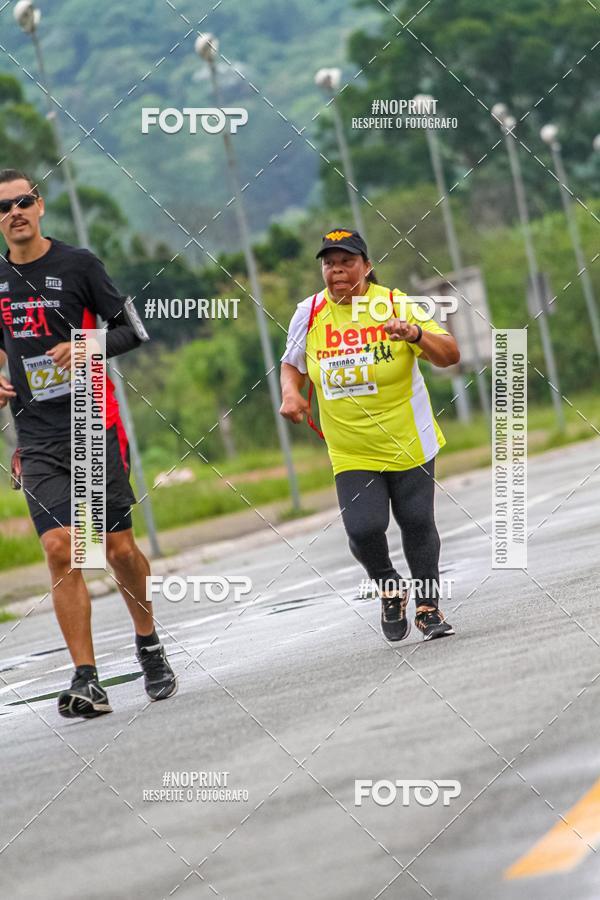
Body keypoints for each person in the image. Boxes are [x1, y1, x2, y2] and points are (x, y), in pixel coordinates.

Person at [0, 169, 177, 718]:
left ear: (41, 205)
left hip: (90, 422)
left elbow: (133, 329)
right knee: (62, 547)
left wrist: (88, 346)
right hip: (36, 432)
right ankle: (87, 679)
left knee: (117, 549)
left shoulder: (78, 265)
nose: (14, 212)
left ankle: (147, 640)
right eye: (3, 207)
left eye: (23, 201)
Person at [280, 228, 460, 642]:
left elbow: (449, 355)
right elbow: (292, 363)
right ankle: (388, 585)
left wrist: (415, 334)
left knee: (416, 522)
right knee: (363, 529)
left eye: (347, 262)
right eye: (329, 263)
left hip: (407, 437)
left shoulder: (395, 304)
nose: (337, 270)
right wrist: (291, 394)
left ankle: (429, 608)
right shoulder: (309, 313)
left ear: (367, 266)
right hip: (350, 447)